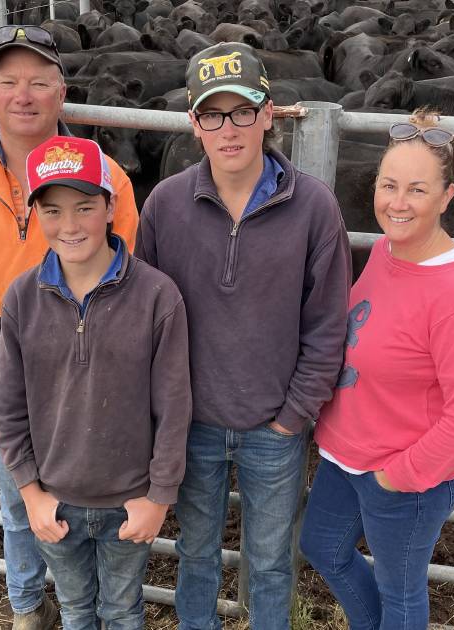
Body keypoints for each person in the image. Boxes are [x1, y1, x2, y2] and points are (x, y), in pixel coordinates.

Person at [0, 25, 139, 630]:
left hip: (90, 354)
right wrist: (7, 364)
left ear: (61, 94)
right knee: (21, 494)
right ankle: (27, 606)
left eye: (40, 82)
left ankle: (100, 610)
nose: (25, 95)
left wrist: (84, 356)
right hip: (2, 357)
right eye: (10, 81)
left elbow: (129, 278)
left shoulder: (109, 177)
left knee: (98, 490)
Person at [135, 42, 352, 630]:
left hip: (273, 428)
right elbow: (143, 317)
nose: (228, 128)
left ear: (267, 114)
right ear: (194, 124)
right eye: (212, 114)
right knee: (195, 554)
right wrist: (164, 413)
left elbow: (328, 322)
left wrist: (294, 414)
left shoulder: (314, 207)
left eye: (241, 111)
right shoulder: (164, 206)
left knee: (272, 562)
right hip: (194, 423)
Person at [298, 111, 454, 630]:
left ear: (447, 196)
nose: (398, 202)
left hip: (405, 473)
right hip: (347, 454)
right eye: (389, 185)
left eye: (416, 189)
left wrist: (398, 476)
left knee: (400, 589)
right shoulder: (387, 250)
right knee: (322, 547)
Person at [0, 135, 192, 630]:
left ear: (110, 206)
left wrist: (158, 497)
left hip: (129, 499)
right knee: (77, 609)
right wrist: (31, 494)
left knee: (123, 610)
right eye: (52, 210)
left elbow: (174, 405)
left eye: (84, 207)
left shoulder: (156, 297)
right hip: (55, 500)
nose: (69, 225)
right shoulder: (22, 298)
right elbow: (7, 407)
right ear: (35, 214)